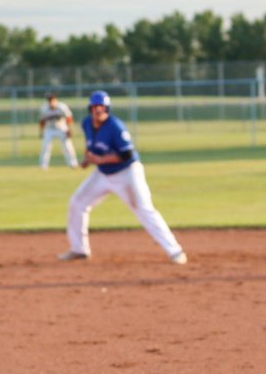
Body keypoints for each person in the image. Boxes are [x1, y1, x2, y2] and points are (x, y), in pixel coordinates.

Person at [58, 90, 187, 265]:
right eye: (95, 106)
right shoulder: (87, 123)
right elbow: (92, 147)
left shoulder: (115, 126)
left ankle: (175, 251)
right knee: (77, 202)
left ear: (107, 108)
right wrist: (88, 160)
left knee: (144, 209)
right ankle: (79, 249)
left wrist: (100, 159)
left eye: (102, 107)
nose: (98, 110)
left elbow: (127, 154)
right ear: (90, 108)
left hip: (127, 173)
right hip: (103, 174)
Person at [37, 92, 79, 170]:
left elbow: (69, 118)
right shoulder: (44, 108)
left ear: (55, 99)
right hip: (49, 129)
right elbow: (42, 121)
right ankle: (43, 165)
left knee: (67, 145)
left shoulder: (62, 107)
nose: (50, 102)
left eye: (52, 99)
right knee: (45, 146)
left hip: (61, 127)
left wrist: (69, 129)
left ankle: (73, 163)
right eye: (49, 100)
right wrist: (41, 131)